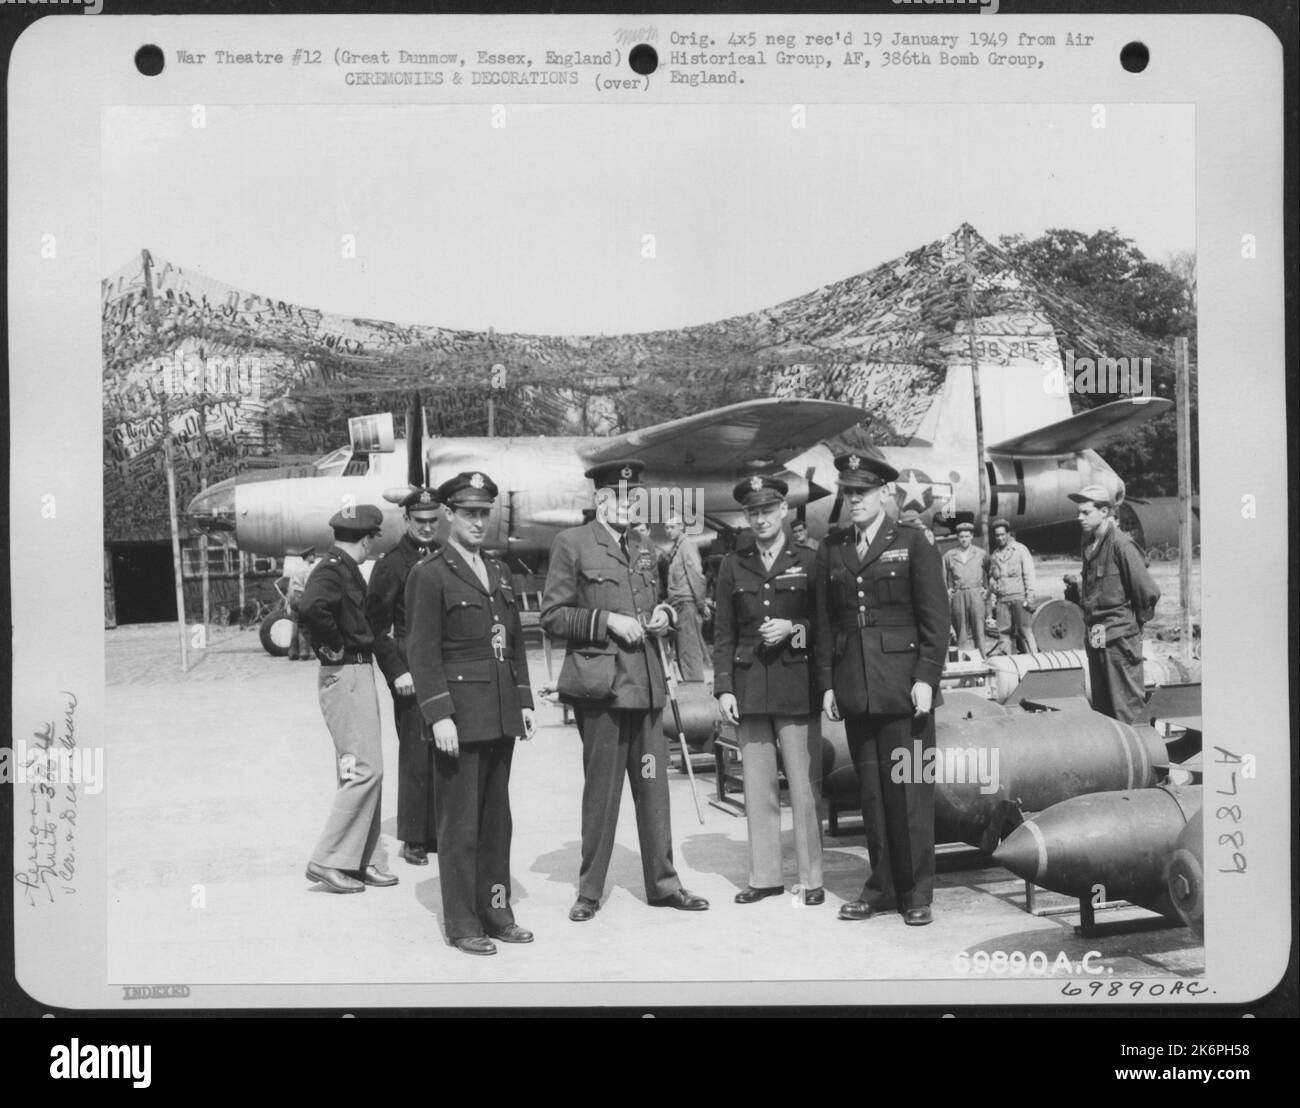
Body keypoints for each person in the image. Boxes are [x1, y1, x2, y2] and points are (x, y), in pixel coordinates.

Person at [540, 459, 710, 921]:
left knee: (654, 790)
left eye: (633, 498)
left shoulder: (644, 545)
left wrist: (666, 619)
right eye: (616, 496)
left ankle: (664, 884)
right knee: (602, 792)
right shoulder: (571, 544)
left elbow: (666, 603)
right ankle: (589, 890)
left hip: (648, 686)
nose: (626, 506)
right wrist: (607, 621)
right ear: (599, 499)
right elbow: (554, 616)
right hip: (603, 692)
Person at [814, 452, 948, 926]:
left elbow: (936, 620)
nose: (853, 501)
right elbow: (827, 623)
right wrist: (828, 685)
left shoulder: (913, 542)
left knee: (909, 792)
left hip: (905, 691)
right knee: (871, 793)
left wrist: (926, 680)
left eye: (861, 492)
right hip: (856, 689)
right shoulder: (832, 547)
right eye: (847, 492)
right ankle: (881, 887)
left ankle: (916, 893)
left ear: (884, 494)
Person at [405, 471, 536, 955]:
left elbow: (516, 643)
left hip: (499, 713)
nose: (478, 521)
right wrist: (438, 714)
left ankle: (497, 911)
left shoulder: (499, 573)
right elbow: (421, 651)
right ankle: (462, 923)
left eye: (484, 513)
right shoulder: (430, 574)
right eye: (468, 513)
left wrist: (523, 700)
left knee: (496, 823)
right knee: (459, 826)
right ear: (448, 516)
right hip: (458, 719)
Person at [714, 476, 824, 906]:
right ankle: (765, 877)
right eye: (752, 512)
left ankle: (812, 878)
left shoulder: (810, 561)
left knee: (803, 788)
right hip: (750, 689)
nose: (760, 519)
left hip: (797, 687)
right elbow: (722, 633)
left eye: (767, 510)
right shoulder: (732, 565)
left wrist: (793, 631)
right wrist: (724, 688)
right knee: (757, 789)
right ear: (746, 516)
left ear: (783, 511)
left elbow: (823, 630)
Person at [300, 505, 398, 895]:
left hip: (358, 671)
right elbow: (310, 608)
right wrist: (332, 647)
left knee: (364, 767)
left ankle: (364, 859)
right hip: (347, 673)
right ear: (366, 538)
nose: (372, 548)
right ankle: (327, 859)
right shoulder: (332, 569)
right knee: (364, 769)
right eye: (372, 539)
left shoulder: (341, 567)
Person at [365, 488, 441, 866]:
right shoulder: (392, 564)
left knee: (448, 746)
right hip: (410, 665)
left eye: (433, 521)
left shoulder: (447, 556)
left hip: (445, 665)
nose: (427, 528)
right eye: (420, 521)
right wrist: (397, 671)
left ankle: (440, 829)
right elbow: (374, 627)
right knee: (416, 750)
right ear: (407, 520)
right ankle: (413, 836)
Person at [1068, 484, 1160, 724]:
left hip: (1119, 640)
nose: (1080, 518)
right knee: (1103, 712)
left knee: (1127, 710)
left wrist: (1132, 626)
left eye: (1086, 512)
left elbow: (1147, 592)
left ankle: (1142, 759)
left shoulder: (1122, 545)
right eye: (1079, 512)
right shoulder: (1090, 545)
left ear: (1105, 512)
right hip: (1097, 638)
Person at [664, 513, 709, 681]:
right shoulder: (676, 549)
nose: (669, 530)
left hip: (687, 605)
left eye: (672, 527)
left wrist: (701, 604)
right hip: (678, 605)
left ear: (681, 527)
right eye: (666, 527)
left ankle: (696, 692)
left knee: (689, 651)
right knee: (684, 650)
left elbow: (697, 576)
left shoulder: (687, 546)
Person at [987, 518, 1038, 655]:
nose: (1000, 538)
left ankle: (1035, 663)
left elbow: (1029, 574)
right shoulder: (995, 555)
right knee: (1003, 634)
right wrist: (993, 592)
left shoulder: (1020, 550)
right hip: (1002, 600)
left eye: (1003, 534)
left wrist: (1030, 596)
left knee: (1025, 631)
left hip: (1019, 598)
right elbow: (993, 577)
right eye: (997, 535)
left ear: (1009, 534)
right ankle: (1010, 666)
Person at [942, 522, 988, 655]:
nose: (964, 539)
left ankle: (983, 660)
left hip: (975, 594)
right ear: (957, 537)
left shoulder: (981, 553)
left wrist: (986, 590)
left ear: (972, 536)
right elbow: (943, 577)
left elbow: (990, 573)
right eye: (961, 536)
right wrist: (948, 591)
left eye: (967, 536)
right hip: (958, 594)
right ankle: (963, 662)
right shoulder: (949, 555)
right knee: (960, 631)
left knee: (979, 629)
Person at [284, 548, 317, 660]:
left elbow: (290, 585)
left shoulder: (296, 568)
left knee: (295, 624)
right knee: (305, 624)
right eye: (313, 555)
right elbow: (308, 586)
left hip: (293, 595)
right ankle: (304, 652)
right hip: (302, 595)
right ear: (308, 556)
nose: (315, 557)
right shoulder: (308, 569)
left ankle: (293, 652)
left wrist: (288, 601)